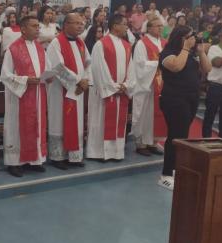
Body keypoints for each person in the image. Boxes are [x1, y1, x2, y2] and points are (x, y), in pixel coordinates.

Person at [158, 26, 212, 190]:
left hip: (191, 98)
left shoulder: (192, 55)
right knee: (175, 135)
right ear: (179, 38)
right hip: (174, 99)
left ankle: (175, 169)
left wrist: (201, 52)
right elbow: (176, 67)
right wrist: (186, 48)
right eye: (189, 37)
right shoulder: (167, 53)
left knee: (182, 135)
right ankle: (166, 174)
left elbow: (208, 69)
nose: (192, 39)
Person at [1, 16, 51, 177]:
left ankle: (34, 159)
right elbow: (5, 75)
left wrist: (49, 76)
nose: (38, 29)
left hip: (37, 95)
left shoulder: (39, 47)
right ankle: (14, 162)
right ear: (23, 29)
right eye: (34, 26)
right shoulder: (13, 49)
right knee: (17, 127)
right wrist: (25, 80)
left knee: (36, 126)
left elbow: (47, 68)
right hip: (19, 97)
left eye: (38, 26)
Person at [46, 13, 91, 168]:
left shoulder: (80, 43)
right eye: (77, 23)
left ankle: (74, 156)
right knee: (59, 121)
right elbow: (57, 67)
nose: (80, 26)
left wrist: (85, 80)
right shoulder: (56, 43)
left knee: (76, 122)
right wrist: (78, 81)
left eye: (82, 23)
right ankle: (58, 157)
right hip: (60, 91)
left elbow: (88, 64)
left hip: (77, 91)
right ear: (66, 24)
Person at [86, 14, 132, 162]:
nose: (126, 27)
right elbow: (99, 69)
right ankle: (99, 153)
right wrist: (113, 87)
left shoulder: (126, 45)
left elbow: (131, 69)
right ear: (115, 25)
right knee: (101, 122)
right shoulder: (101, 44)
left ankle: (116, 152)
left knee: (118, 122)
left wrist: (126, 85)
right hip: (105, 93)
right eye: (124, 24)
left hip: (121, 91)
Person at [127, 17, 167, 156]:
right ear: (149, 28)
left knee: (159, 114)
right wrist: (158, 64)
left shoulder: (164, 42)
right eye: (157, 26)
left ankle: (153, 143)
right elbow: (139, 64)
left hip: (161, 84)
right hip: (147, 86)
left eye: (161, 26)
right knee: (145, 114)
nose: (160, 28)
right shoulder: (142, 44)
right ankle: (141, 144)